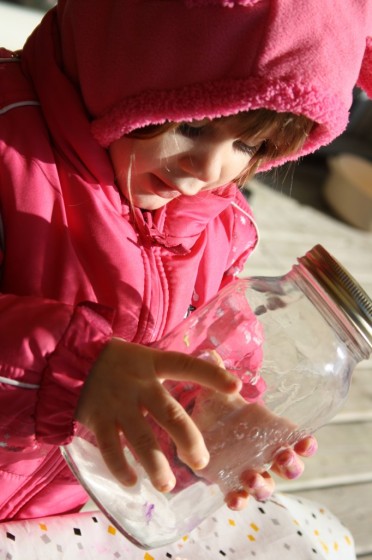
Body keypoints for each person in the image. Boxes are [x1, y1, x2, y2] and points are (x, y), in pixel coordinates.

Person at [0, 0, 371, 558]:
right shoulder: (12, 149)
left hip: (58, 518)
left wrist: (204, 410)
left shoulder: (219, 228)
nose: (212, 170)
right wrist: (70, 370)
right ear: (116, 57)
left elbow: (203, 350)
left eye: (249, 145)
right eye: (194, 124)